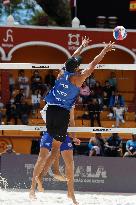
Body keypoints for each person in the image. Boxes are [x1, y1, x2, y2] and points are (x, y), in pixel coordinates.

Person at [30, 37, 115, 199]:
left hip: (50, 111)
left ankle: (45, 176)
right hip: (62, 113)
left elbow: (71, 59)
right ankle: (44, 174)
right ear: (76, 68)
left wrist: (82, 46)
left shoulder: (62, 72)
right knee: (55, 149)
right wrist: (104, 50)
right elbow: (93, 64)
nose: (80, 65)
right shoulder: (78, 79)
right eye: (78, 64)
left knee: (53, 148)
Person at [30, 106, 80, 205]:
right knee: (45, 156)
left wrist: (74, 137)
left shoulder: (71, 100)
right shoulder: (55, 97)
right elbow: (45, 113)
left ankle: (71, 193)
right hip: (51, 130)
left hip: (62, 133)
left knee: (69, 163)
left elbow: (72, 119)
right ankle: (32, 189)